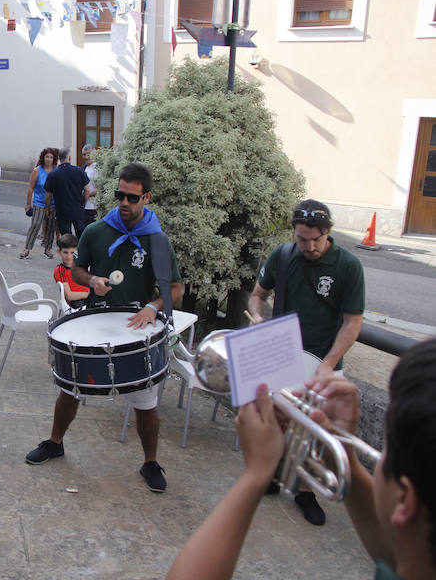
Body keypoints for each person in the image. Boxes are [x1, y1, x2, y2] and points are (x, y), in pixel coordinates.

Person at [168, 339, 436, 580]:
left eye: (387, 448)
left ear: (405, 501)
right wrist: (342, 456)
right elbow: (398, 548)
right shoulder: (418, 557)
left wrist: (256, 474)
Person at [25, 162, 183, 495]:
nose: (124, 203)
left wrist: (153, 307)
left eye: (132, 197)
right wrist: (92, 280)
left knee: (146, 402)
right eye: (119, 195)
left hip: (136, 327)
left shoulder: (157, 240)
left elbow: (176, 289)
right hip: (95, 319)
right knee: (70, 388)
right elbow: (78, 270)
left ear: (146, 198)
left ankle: (150, 461)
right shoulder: (97, 230)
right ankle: (55, 442)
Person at [247, 199, 365, 526]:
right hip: (282, 353)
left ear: (328, 232)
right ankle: (273, 474)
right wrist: (257, 315)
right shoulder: (282, 257)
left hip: (323, 359)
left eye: (317, 239)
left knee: (313, 427)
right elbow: (258, 294)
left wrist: (330, 363)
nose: (310, 246)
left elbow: (352, 322)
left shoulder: (348, 266)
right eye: (303, 239)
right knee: (280, 418)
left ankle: (305, 491)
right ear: (294, 233)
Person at [20, 147, 58, 259]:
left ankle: (48, 249)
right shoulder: (37, 170)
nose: (49, 159)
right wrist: (28, 204)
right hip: (39, 202)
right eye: (47, 157)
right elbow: (31, 187)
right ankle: (27, 248)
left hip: (53, 203)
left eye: (51, 157)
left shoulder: (56, 170)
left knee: (51, 227)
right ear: (43, 157)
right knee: (36, 224)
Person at [44, 147, 89, 237]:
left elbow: (48, 196)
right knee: (81, 236)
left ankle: (67, 251)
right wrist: (83, 203)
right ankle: (79, 251)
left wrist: (48, 209)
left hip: (62, 211)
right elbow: (87, 190)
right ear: (69, 158)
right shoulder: (79, 171)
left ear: (59, 159)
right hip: (78, 209)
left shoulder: (53, 174)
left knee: (66, 238)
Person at [54, 233, 89, 309]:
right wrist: (88, 294)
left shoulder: (81, 265)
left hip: (89, 299)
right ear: (59, 252)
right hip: (76, 303)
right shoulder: (60, 270)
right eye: (65, 252)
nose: (69, 256)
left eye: (72, 252)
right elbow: (69, 296)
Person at [82, 144, 98, 225]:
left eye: (88, 154)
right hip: (85, 206)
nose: (86, 157)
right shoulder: (85, 168)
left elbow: (99, 189)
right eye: (84, 154)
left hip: (93, 206)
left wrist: (87, 195)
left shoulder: (97, 168)